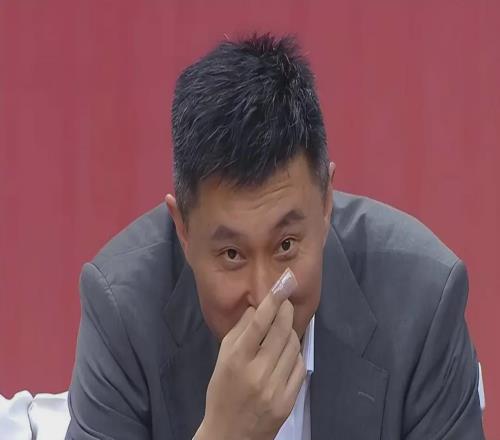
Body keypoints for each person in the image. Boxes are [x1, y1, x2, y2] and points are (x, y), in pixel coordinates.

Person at [65, 34, 485, 439]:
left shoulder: (423, 302)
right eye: (232, 254)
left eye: (286, 246)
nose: (266, 294)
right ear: (184, 231)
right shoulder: (123, 312)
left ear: (326, 205)